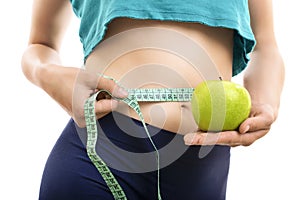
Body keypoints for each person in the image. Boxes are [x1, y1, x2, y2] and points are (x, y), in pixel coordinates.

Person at [21, 0, 284, 199]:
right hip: (100, 150)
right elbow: (40, 45)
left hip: (203, 168)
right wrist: (49, 74)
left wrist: (265, 100)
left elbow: (266, 46)